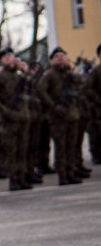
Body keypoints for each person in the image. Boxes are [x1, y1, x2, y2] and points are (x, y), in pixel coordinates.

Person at [37, 47, 85, 185]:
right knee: (61, 147)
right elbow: (41, 91)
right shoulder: (49, 75)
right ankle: (63, 174)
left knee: (71, 145)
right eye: (56, 56)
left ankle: (71, 171)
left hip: (72, 115)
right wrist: (54, 106)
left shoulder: (70, 75)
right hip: (58, 117)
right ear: (52, 60)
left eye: (62, 56)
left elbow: (81, 86)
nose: (60, 58)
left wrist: (72, 71)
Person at [0, 48, 33, 191]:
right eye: (5, 57)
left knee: (22, 149)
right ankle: (13, 179)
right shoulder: (0, 77)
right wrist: (4, 110)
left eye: (11, 56)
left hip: (23, 117)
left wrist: (26, 72)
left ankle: (21, 177)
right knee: (11, 150)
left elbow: (31, 88)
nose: (9, 59)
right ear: (1, 61)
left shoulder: (20, 75)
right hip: (9, 119)